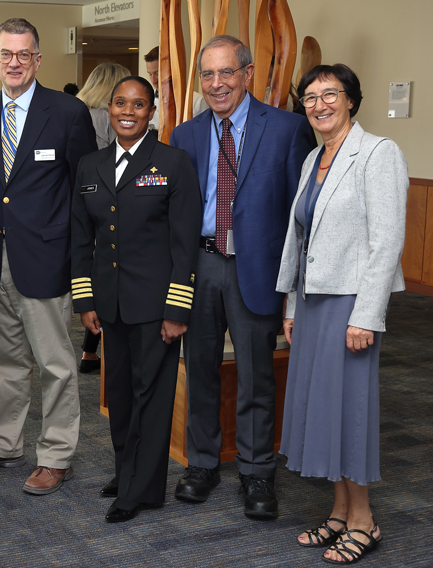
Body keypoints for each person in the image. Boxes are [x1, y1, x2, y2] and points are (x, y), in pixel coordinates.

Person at [169, 35, 316, 519]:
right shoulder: (186, 134)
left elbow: (301, 214)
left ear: (248, 74)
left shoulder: (289, 129)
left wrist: (297, 288)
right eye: (207, 75)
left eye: (226, 72)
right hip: (203, 264)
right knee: (203, 369)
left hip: (258, 269)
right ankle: (204, 464)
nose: (216, 84)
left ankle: (257, 472)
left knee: (256, 378)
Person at [276, 64, 408, 564]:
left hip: (351, 306)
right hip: (312, 303)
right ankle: (338, 511)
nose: (319, 104)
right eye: (310, 97)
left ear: (351, 99)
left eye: (330, 94)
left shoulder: (378, 153)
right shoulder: (315, 157)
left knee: (350, 410)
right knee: (321, 409)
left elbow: (387, 241)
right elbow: (301, 238)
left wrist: (367, 315)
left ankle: (363, 521)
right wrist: (291, 303)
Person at [0, 18, 96, 495]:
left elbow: (85, 190)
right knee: (4, 363)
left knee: (56, 364)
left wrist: (82, 263)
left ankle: (57, 453)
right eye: (6, 54)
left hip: (47, 260)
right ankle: (2, 443)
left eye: (24, 54)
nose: (14, 62)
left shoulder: (67, 112)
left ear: (37, 59)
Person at [72, 76, 201, 522]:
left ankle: (140, 489)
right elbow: (80, 238)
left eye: (139, 104)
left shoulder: (172, 162)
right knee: (121, 396)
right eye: (121, 103)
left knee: (153, 397)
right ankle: (127, 470)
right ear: (110, 108)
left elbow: (185, 245)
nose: (129, 111)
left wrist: (178, 309)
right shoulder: (90, 165)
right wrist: (85, 300)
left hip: (156, 307)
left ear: (152, 111)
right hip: (110, 305)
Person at [75, 61, 130, 374]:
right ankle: (97, 349)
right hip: (113, 203)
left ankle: (89, 350)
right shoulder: (111, 118)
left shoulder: (79, 112)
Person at [144, 45, 207, 130]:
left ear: (171, 70)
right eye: (150, 74)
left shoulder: (197, 101)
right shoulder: (145, 101)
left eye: (157, 73)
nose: (153, 80)